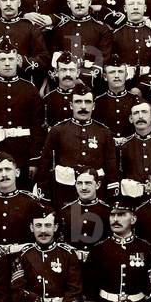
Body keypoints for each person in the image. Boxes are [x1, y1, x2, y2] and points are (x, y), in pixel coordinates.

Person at [37, 80, 119, 210]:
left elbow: (111, 167)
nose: (83, 107)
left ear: (93, 106)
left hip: (96, 193)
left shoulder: (104, 132)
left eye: (87, 102)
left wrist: (112, 196)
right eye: (78, 102)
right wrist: (45, 197)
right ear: (71, 105)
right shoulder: (58, 131)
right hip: (65, 191)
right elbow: (45, 164)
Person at [84, 199, 151, 302]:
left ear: (133, 219)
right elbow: (88, 288)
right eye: (112, 215)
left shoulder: (146, 248)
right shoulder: (99, 250)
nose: (115, 219)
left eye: (121, 214)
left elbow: (150, 290)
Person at [0, 39, 45, 187]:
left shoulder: (30, 89)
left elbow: (37, 127)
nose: (7, 64)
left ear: (17, 60)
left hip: (23, 154)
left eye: (11, 59)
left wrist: (34, 160)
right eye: (2, 59)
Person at [0, 151, 47, 253]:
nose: (4, 174)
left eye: (8, 169)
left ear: (17, 172)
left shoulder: (31, 201)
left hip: (23, 255)